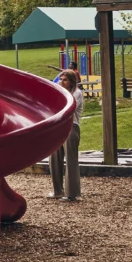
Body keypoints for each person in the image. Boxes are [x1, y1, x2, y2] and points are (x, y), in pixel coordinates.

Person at [48, 70, 85, 201]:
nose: (61, 82)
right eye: (60, 79)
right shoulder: (59, 93)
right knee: (54, 158)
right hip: (58, 127)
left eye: (65, 80)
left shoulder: (77, 93)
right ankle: (57, 191)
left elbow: (67, 109)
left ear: (72, 82)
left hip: (70, 127)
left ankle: (72, 193)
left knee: (70, 160)